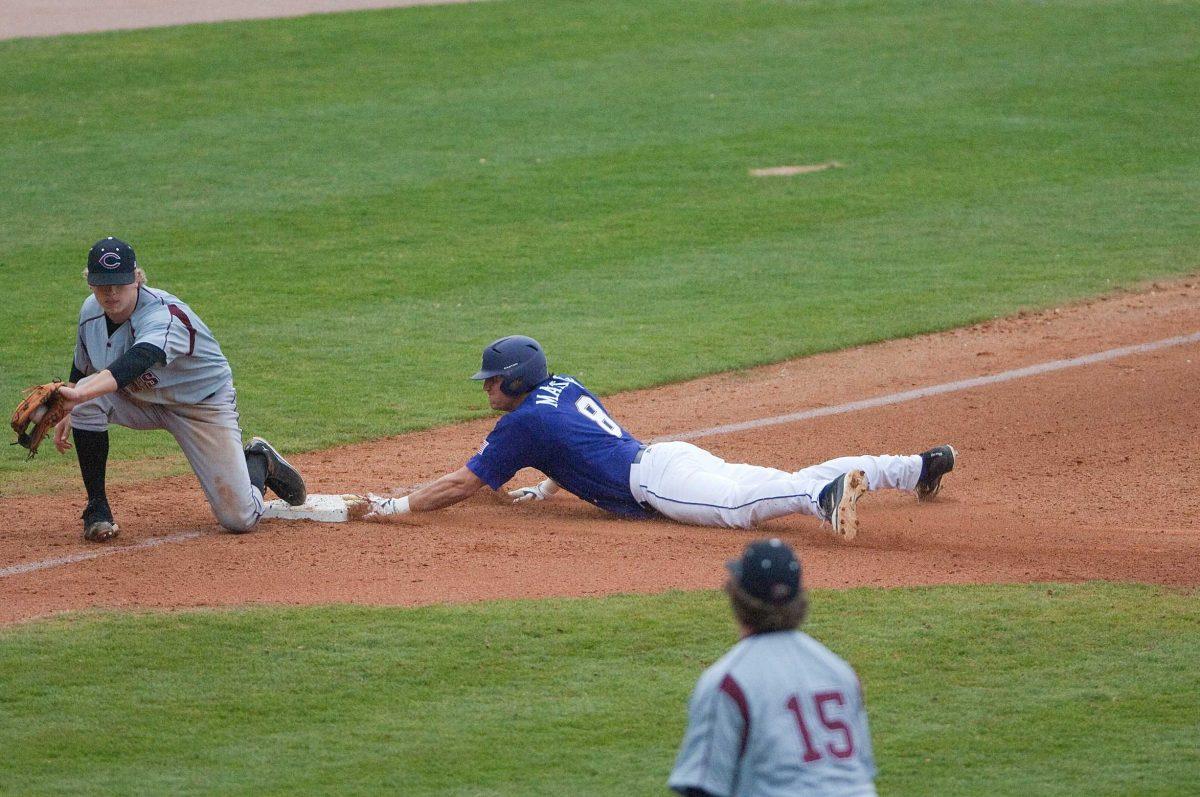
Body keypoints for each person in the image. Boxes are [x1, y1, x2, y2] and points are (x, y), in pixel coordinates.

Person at [354, 335, 956, 537]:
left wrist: (394, 506)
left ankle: (820, 500)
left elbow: (463, 483)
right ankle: (912, 467)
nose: (485, 390)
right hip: (665, 458)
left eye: (491, 383)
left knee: (740, 509)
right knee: (768, 480)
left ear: (514, 382)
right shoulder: (559, 388)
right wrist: (545, 489)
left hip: (658, 481)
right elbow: (570, 450)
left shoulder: (522, 422)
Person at [51, 236, 306, 542]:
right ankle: (97, 509)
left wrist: (79, 394)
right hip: (141, 398)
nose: (111, 292)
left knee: (240, 518)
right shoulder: (90, 312)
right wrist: (71, 401)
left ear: (136, 278)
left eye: (119, 282)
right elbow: (84, 365)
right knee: (86, 401)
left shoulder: (165, 315)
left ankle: (259, 460)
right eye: (103, 284)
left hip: (201, 406)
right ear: (90, 283)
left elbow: (138, 360)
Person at [668, 538, 878, 796]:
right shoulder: (840, 672)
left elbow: (702, 789)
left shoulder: (728, 682)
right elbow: (860, 772)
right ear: (799, 597)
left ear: (736, 596)